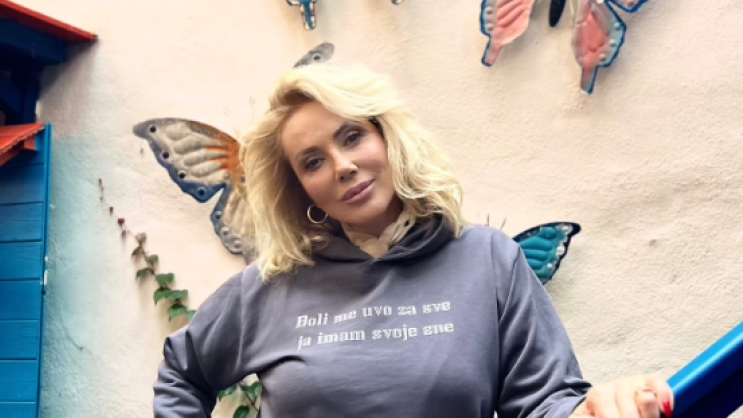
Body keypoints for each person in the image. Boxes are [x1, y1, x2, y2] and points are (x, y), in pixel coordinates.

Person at [153, 63, 674, 418]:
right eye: (312, 161)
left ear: (387, 137)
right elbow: (183, 372)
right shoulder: (272, 286)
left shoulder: (489, 261)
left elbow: (544, 403)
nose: (342, 165)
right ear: (301, 188)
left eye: (352, 135)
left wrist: (601, 408)